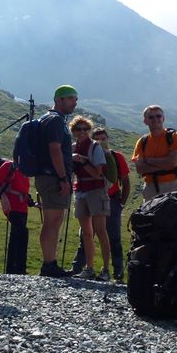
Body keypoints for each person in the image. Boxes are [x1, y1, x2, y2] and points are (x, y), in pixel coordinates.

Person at [34, 85, 78, 278]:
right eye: (71, 98)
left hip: (47, 175)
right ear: (59, 99)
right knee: (52, 221)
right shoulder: (55, 121)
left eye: (75, 99)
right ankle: (49, 264)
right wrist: (62, 178)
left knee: (53, 220)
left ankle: (49, 263)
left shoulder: (49, 119)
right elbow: (54, 149)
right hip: (53, 177)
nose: (74, 102)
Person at [67, 116, 111, 280]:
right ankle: (90, 268)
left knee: (100, 230)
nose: (82, 132)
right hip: (80, 190)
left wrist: (82, 161)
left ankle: (105, 270)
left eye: (86, 129)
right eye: (78, 129)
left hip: (95, 190)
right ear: (73, 132)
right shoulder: (72, 148)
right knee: (86, 233)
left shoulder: (95, 148)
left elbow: (97, 173)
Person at [94, 128, 131, 283]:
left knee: (114, 237)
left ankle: (118, 272)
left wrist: (121, 203)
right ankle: (81, 267)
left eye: (103, 139)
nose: (101, 142)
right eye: (97, 140)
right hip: (93, 200)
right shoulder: (90, 156)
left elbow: (126, 181)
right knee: (87, 235)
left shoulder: (117, 157)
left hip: (112, 200)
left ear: (107, 139)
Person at [131, 105, 177, 201]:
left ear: (163, 118)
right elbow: (140, 169)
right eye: (151, 117)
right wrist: (165, 165)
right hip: (150, 187)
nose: (155, 119)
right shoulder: (142, 142)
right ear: (145, 121)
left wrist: (149, 161)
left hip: (172, 186)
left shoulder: (174, 137)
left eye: (158, 116)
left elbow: (173, 162)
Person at [0, 159, 31, 275]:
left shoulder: (26, 168)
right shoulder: (9, 165)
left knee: (17, 235)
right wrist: (3, 196)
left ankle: (14, 269)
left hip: (23, 207)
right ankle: (18, 269)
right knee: (21, 232)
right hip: (11, 206)